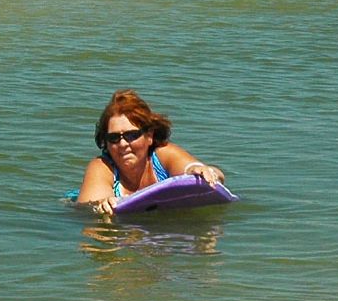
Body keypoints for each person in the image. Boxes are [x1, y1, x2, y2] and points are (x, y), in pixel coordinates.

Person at [74, 89, 227, 217]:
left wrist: (207, 172)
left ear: (149, 136)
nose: (122, 144)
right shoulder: (102, 166)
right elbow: (87, 213)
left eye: (131, 135)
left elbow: (198, 169)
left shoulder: (163, 155)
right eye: (113, 138)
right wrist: (102, 205)